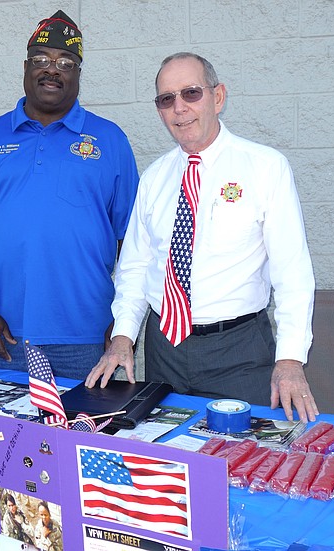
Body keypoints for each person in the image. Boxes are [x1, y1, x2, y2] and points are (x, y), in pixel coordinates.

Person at [86, 52, 318, 422]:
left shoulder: (265, 167)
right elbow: (135, 267)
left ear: (218, 97)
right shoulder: (154, 178)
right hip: (165, 349)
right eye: (167, 99)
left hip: (238, 352)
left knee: (242, 461)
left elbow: (292, 273)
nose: (179, 108)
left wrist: (290, 360)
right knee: (167, 458)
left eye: (191, 93)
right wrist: (123, 337)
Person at [0, 10, 139, 379]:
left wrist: (123, 322)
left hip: (89, 336)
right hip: (6, 336)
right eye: (41, 60)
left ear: (78, 74)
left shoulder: (110, 141)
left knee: (85, 432)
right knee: (4, 436)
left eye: (66, 63)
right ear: (26, 67)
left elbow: (134, 241)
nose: (52, 69)